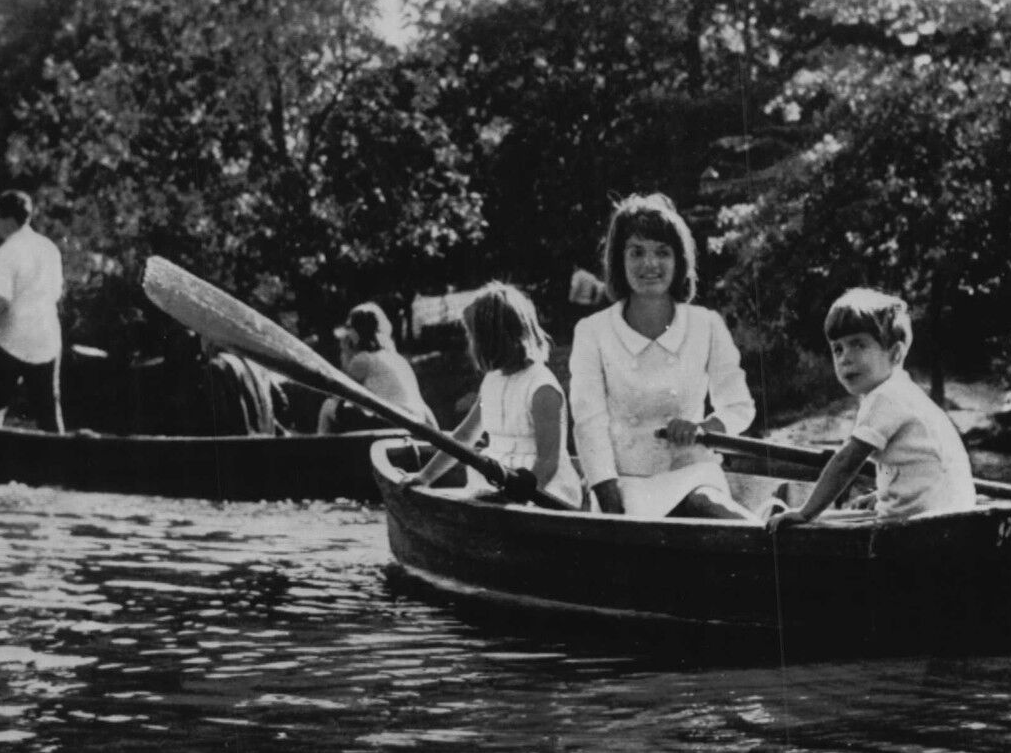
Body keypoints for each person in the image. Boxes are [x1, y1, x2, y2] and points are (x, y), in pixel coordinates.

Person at [569, 193, 757, 520]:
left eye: (662, 253)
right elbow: (589, 425)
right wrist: (608, 496)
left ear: (679, 261)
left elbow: (739, 406)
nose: (649, 265)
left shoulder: (706, 324)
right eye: (636, 252)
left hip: (694, 475)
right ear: (619, 260)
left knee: (708, 507)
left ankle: (772, 543)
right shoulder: (592, 332)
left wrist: (704, 425)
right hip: (625, 484)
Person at [767, 287, 976, 533]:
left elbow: (846, 461)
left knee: (811, 523)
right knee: (841, 516)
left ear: (895, 354)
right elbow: (918, 464)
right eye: (838, 349)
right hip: (949, 514)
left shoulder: (886, 396)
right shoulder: (902, 391)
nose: (846, 358)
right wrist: (882, 494)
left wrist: (805, 512)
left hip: (926, 526)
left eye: (859, 345)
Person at [410, 282, 583, 508]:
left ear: (492, 339)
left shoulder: (542, 389)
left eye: (474, 337)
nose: (471, 345)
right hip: (495, 487)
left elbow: (548, 461)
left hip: (540, 492)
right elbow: (463, 439)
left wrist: (516, 501)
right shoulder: (492, 381)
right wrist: (424, 477)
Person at [0, 190, 65, 432]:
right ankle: (60, 463)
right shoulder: (50, 248)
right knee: (48, 413)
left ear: (9, 220)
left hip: (12, 340)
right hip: (46, 340)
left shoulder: (5, 253)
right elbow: (55, 294)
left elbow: (0, 304)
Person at [316, 302, 435, 432]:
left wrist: (346, 353)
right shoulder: (397, 358)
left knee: (328, 406)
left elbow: (340, 393)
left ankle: (322, 447)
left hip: (393, 420)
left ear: (357, 333)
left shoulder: (363, 360)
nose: (347, 334)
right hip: (416, 419)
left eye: (349, 328)